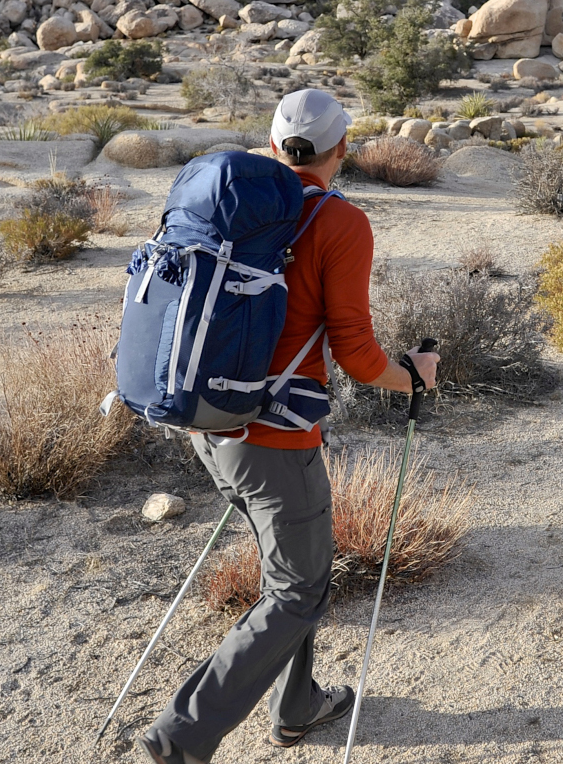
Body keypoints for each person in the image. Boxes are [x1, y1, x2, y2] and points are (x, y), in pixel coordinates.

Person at [140, 89, 441, 764]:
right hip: (276, 443)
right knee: (297, 589)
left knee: (295, 577)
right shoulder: (340, 223)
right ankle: (179, 738)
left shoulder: (233, 207)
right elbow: (362, 361)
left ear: (274, 144)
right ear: (344, 149)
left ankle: (298, 705)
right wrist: (416, 375)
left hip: (208, 426)